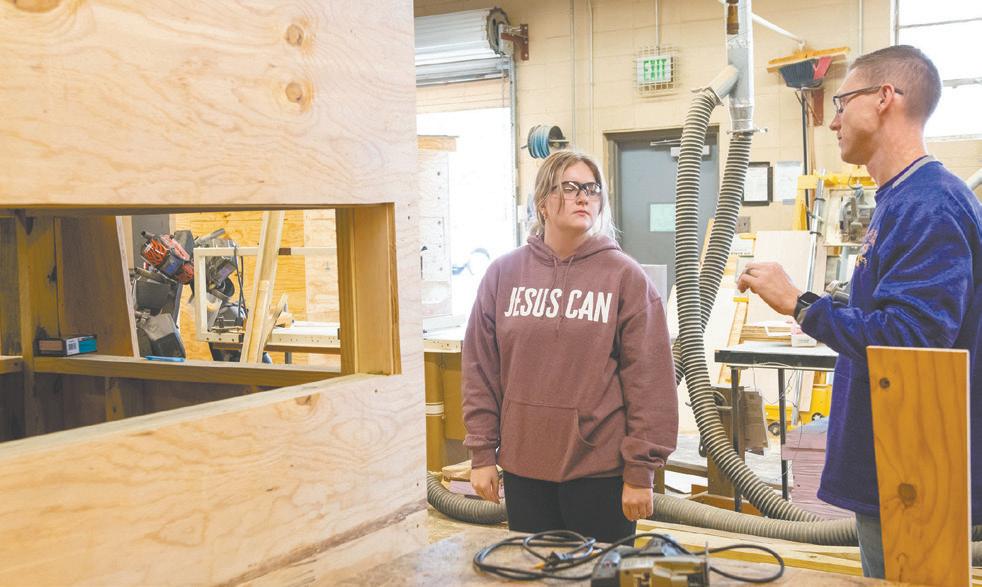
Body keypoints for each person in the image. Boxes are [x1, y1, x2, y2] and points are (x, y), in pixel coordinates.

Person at [737, 45, 981, 578]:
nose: (833, 121)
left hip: (917, 469)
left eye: (843, 102)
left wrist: (801, 305)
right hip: (894, 463)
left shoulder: (930, 204)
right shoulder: (900, 199)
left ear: (885, 98)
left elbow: (911, 341)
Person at [461, 150, 678, 543]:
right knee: (534, 571)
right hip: (524, 469)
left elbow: (650, 381)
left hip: (600, 472)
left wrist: (640, 472)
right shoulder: (503, 274)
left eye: (592, 190)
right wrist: (482, 453)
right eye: (571, 187)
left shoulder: (624, 277)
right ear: (543, 202)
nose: (583, 197)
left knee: (602, 572)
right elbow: (480, 369)